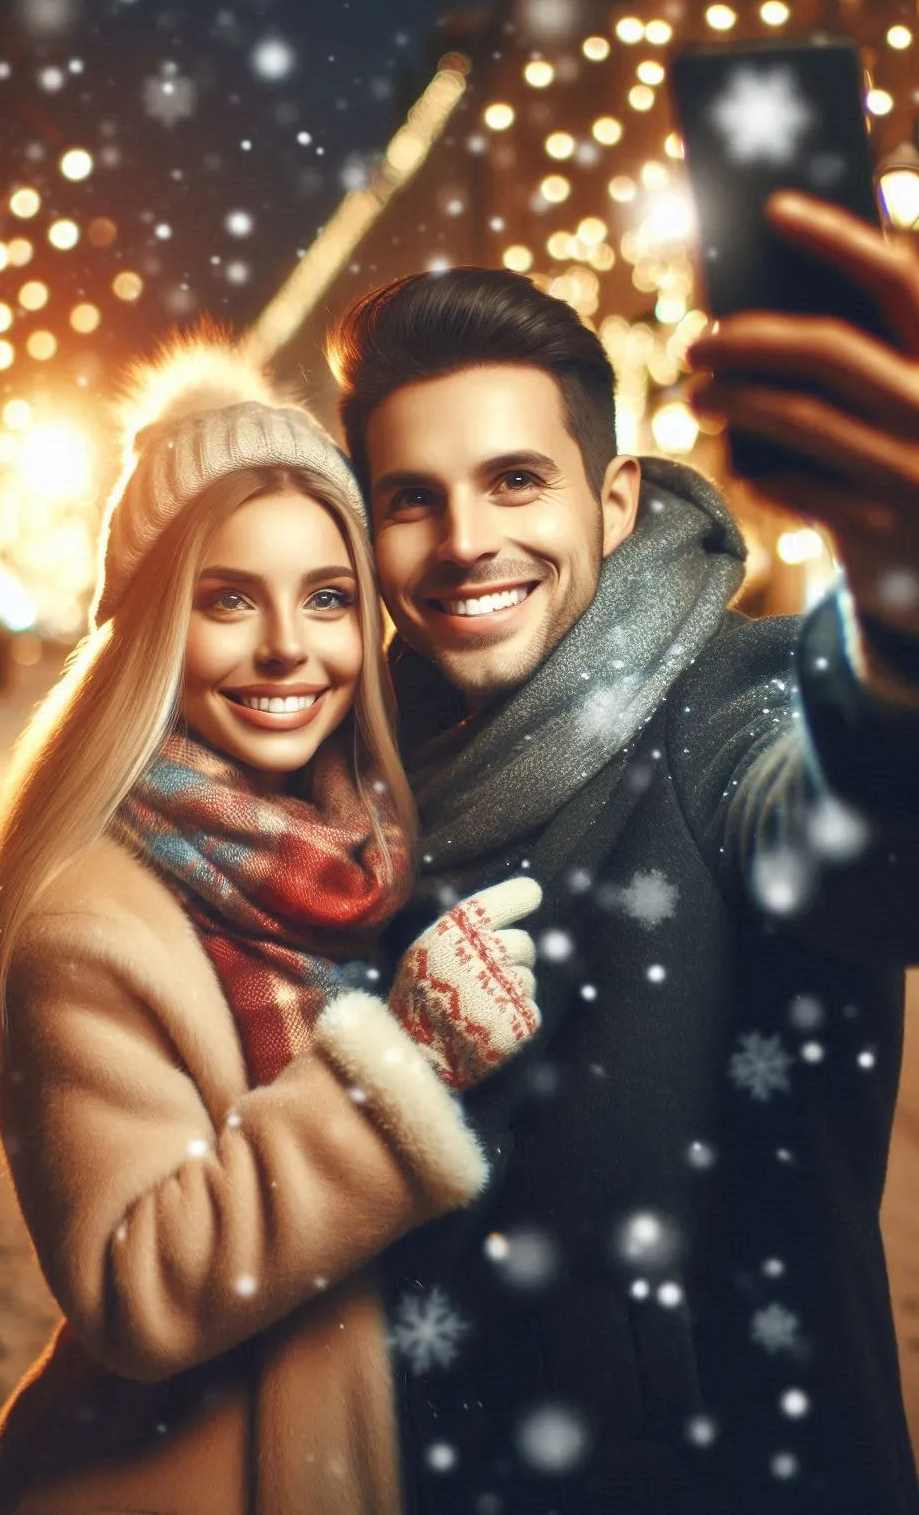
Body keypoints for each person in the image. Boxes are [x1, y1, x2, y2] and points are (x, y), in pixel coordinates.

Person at [325, 190, 919, 1515]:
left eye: (516, 480)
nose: (468, 539)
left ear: (612, 499)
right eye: (412, 499)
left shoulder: (736, 699)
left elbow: (878, 854)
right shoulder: (353, 785)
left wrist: (901, 588)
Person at [0, 331, 543, 1515]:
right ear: (151, 624)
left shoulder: (359, 848)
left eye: (327, 598)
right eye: (227, 598)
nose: (287, 646)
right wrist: (400, 1067)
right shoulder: (87, 916)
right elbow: (138, 1287)